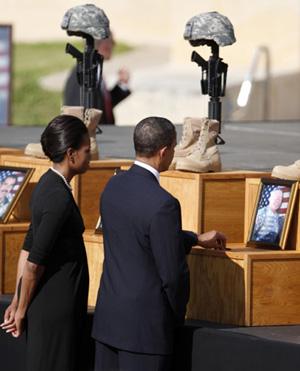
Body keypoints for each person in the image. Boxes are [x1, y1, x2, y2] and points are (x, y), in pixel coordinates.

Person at [92, 116, 227, 371]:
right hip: (145, 333)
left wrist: (195, 238)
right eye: (174, 148)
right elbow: (173, 275)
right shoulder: (163, 204)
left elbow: (138, 235)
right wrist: (174, 317)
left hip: (108, 324)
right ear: (164, 152)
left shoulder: (113, 185)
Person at [0, 115, 91, 371]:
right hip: (55, 311)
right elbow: (32, 263)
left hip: (53, 305)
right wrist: (19, 310)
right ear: (71, 154)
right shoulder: (57, 198)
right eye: (87, 150)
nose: (91, 155)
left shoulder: (47, 184)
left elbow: (27, 248)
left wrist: (18, 300)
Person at [64, 33, 131, 125]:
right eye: (111, 41)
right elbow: (79, 111)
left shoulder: (93, 69)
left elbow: (101, 105)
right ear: (104, 44)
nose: (114, 45)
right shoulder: (84, 72)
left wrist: (121, 85)